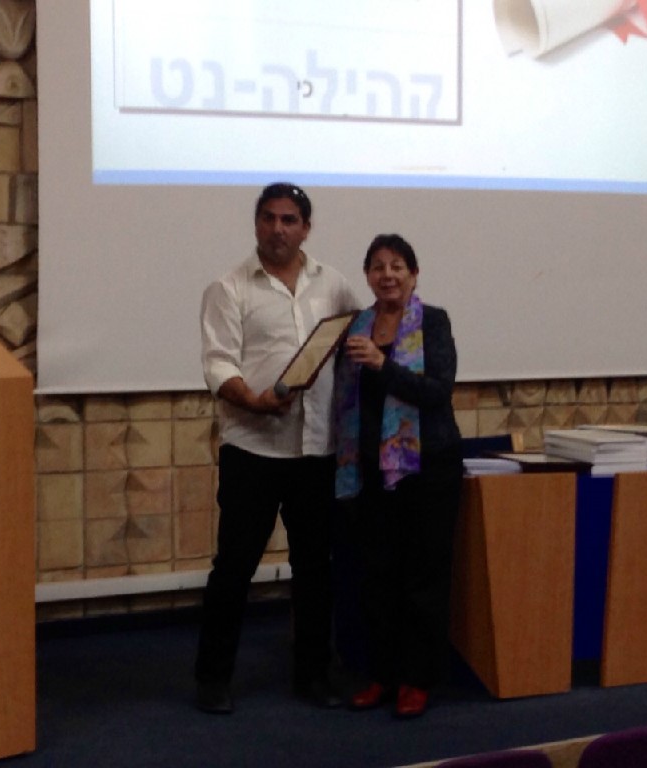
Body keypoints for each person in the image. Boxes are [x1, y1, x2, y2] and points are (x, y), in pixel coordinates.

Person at [195, 182, 359, 713]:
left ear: (306, 228)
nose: (278, 228)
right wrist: (255, 401)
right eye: (268, 218)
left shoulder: (333, 284)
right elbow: (218, 363)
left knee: (315, 570)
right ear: (256, 224)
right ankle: (212, 680)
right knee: (234, 568)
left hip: (316, 450)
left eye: (289, 219)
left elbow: (354, 344)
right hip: (253, 449)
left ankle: (313, 676)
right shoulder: (229, 287)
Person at [333, 233, 464, 719]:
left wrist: (382, 364)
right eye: (377, 266)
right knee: (377, 578)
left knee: (422, 579)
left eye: (397, 266)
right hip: (368, 472)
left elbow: (437, 392)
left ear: (414, 274)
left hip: (427, 469)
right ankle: (381, 675)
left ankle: (417, 679)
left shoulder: (434, 322)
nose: (387, 274)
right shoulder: (354, 326)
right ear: (367, 275)